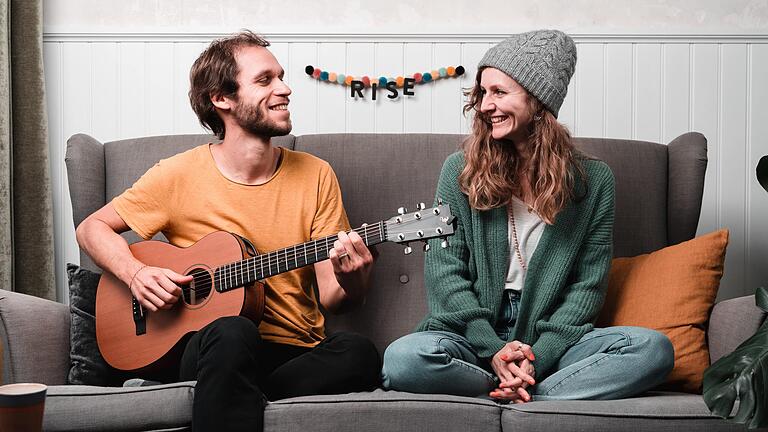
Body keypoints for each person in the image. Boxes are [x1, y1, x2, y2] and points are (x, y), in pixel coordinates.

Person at [75, 31, 380, 431]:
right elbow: (91, 228)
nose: (285, 89)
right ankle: (234, 384)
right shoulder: (177, 175)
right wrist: (137, 274)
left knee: (360, 353)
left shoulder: (316, 175)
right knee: (234, 330)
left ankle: (242, 392)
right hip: (211, 346)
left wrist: (353, 279)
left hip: (294, 351)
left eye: (282, 77)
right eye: (265, 80)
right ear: (222, 98)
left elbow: (334, 298)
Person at [381, 30, 674, 403]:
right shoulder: (460, 170)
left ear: (538, 101)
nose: (486, 105)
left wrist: (539, 358)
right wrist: (493, 349)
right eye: (483, 93)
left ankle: (522, 390)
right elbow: (445, 270)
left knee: (653, 349)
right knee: (403, 359)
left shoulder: (593, 181)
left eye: (499, 92)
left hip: (553, 340)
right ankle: (516, 388)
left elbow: (587, 286)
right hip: (471, 334)